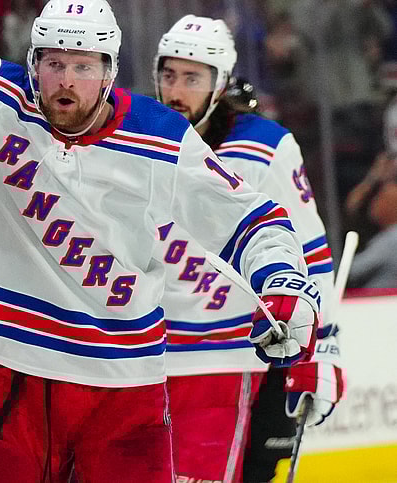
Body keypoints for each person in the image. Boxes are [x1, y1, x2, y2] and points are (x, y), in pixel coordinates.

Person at [0, 1, 320, 480]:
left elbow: (251, 217)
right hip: (14, 368)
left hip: (125, 389)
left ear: (109, 73)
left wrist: (284, 280)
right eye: (54, 63)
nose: (65, 80)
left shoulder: (159, 137)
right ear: (33, 64)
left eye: (82, 66)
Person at [153, 15, 345, 482]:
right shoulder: (136, 135)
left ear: (220, 84)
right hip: (142, 357)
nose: (176, 91)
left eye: (193, 78)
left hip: (225, 358)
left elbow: (311, 255)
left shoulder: (266, 147)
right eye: (168, 75)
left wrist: (324, 352)